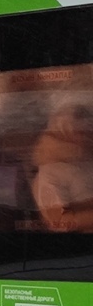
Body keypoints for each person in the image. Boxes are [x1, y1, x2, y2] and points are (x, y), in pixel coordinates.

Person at [31, 95, 93, 233]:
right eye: (82, 131)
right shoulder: (48, 174)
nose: (87, 135)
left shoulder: (87, 159)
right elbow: (60, 222)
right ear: (64, 131)